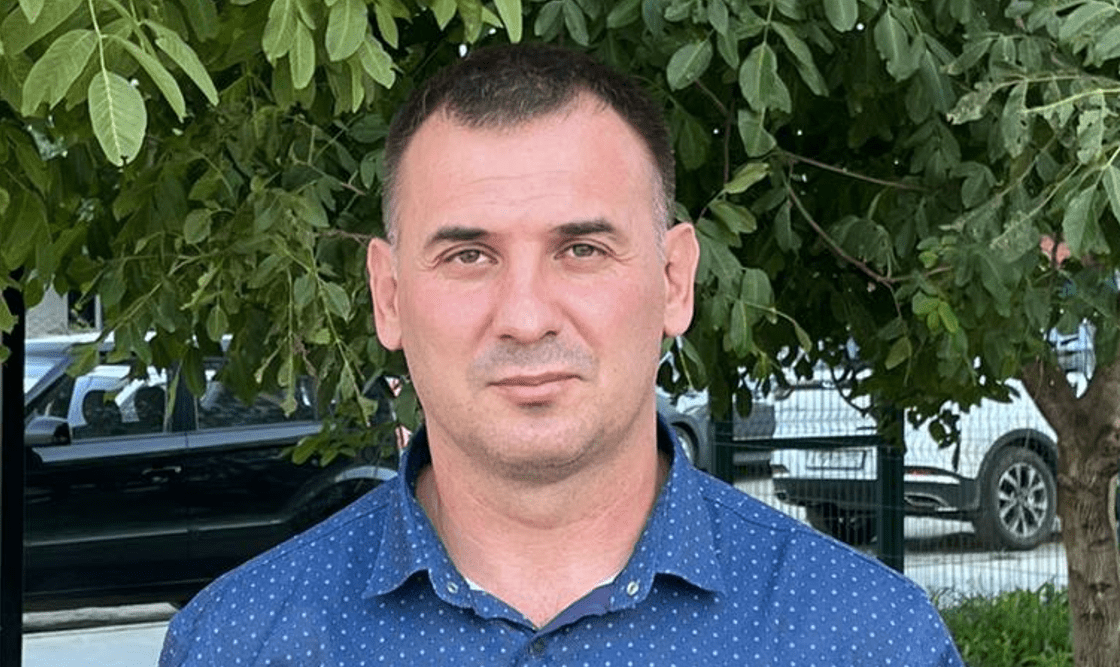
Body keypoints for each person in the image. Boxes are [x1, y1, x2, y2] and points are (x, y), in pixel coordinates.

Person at [160, 43, 964, 666]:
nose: (525, 316)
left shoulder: (865, 637)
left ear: (674, 281)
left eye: (581, 249)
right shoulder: (237, 642)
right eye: (468, 255)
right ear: (389, 296)